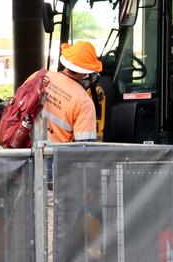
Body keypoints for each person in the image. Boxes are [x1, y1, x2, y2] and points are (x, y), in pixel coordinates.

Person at [35, 40, 102, 262]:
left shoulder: (39, 78)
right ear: (87, 74)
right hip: (52, 173)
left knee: (26, 223)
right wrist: (90, 186)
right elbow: (85, 151)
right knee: (53, 227)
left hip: (21, 162)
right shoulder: (83, 102)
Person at [40, 40, 103, 144]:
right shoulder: (84, 102)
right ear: (87, 71)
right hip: (53, 156)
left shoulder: (39, 77)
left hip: (20, 151)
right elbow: (84, 148)